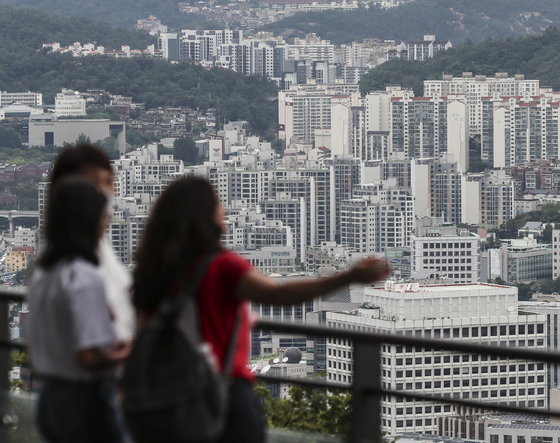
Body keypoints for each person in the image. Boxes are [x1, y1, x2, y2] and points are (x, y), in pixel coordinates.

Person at [132, 176, 390, 443]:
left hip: (166, 395)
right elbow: (278, 293)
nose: (225, 211)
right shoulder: (221, 267)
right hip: (222, 392)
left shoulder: (153, 273)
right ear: (204, 215)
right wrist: (347, 278)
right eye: (218, 204)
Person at [27, 178, 131, 443]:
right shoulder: (84, 277)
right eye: (103, 218)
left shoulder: (43, 274)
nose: (105, 226)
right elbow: (88, 357)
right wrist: (129, 350)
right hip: (84, 400)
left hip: (49, 396)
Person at [49, 143, 134, 343]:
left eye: (109, 182)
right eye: (94, 182)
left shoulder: (99, 249)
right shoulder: (78, 269)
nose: (105, 192)